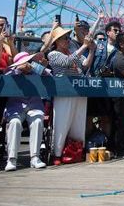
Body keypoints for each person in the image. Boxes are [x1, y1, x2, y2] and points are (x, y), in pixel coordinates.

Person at [47, 25, 95, 165]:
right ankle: (57, 153)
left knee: (78, 123)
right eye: (64, 38)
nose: (67, 40)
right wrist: (84, 46)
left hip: (78, 90)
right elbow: (67, 62)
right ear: (56, 41)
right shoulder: (53, 54)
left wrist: (91, 50)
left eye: (68, 38)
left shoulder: (71, 52)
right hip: (63, 91)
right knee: (62, 122)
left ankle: (76, 150)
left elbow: (85, 64)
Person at [3, 52, 49, 171]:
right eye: (25, 62)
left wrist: (43, 67)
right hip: (16, 107)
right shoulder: (12, 72)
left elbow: (50, 77)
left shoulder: (35, 70)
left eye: (28, 61)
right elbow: (5, 76)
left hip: (34, 106)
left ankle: (35, 157)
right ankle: (11, 159)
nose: (27, 64)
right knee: (15, 123)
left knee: (38, 121)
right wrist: (18, 69)